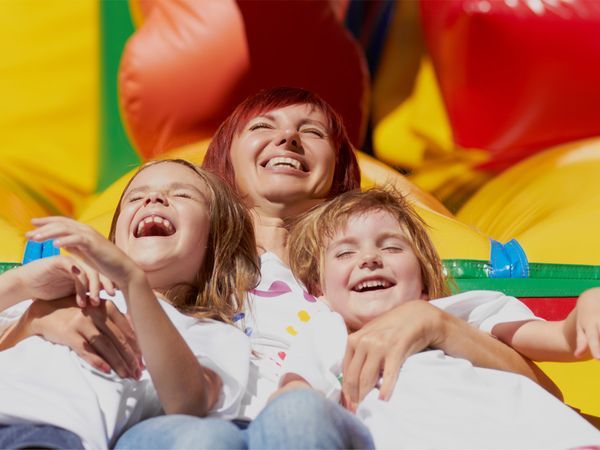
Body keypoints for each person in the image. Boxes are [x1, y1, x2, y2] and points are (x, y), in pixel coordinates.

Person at [0, 88, 559, 448]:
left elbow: (544, 392)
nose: (288, 137)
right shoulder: (177, 262)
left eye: (311, 132)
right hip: (184, 425)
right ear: (222, 167)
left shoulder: (373, 273)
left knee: (296, 423)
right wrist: (36, 318)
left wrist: (439, 326)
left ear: (340, 169)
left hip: (338, 428)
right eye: (262, 128)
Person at [277, 186, 600, 448]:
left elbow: (561, 340)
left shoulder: (464, 309)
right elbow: (296, 397)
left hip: (548, 439)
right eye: (345, 253)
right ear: (320, 290)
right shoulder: (326, 332)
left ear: (423, 278)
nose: (370, 259)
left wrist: (587, 306)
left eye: (391, 247)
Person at [0, 159, 259, 449]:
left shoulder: (212, 333)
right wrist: (20, 285)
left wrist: (134, 282)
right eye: (136, 197)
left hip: (43, 433)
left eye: (182, 195)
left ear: (217, 241)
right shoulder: (60, 288)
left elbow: (190, 400)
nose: (153, 198)